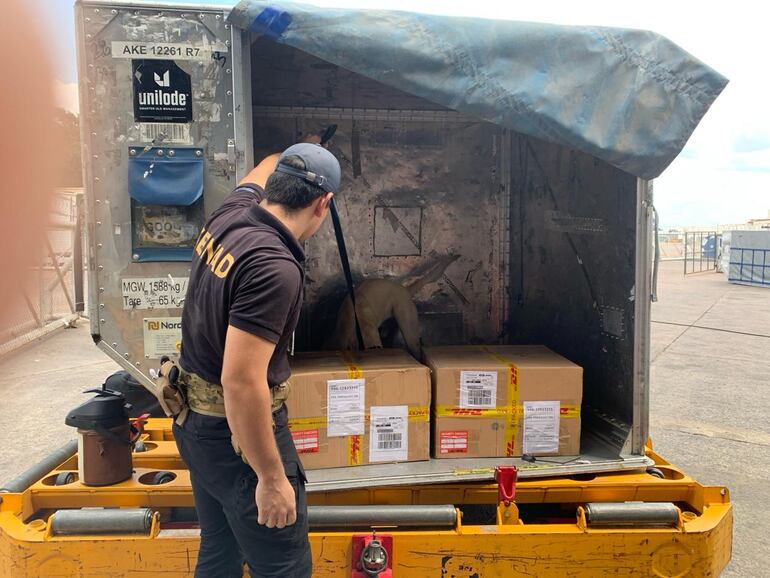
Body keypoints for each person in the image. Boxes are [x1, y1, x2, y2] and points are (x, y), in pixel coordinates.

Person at [172, 139, 341, 577]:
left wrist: (306, 145)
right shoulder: (273, 265)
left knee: (220, 554)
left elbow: (264, 165)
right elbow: (242, 381)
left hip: (195, 426)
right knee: (283, 567)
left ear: (277, 184)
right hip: (236, 443)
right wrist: (269, 477)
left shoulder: (232, 212)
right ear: (323, 203)